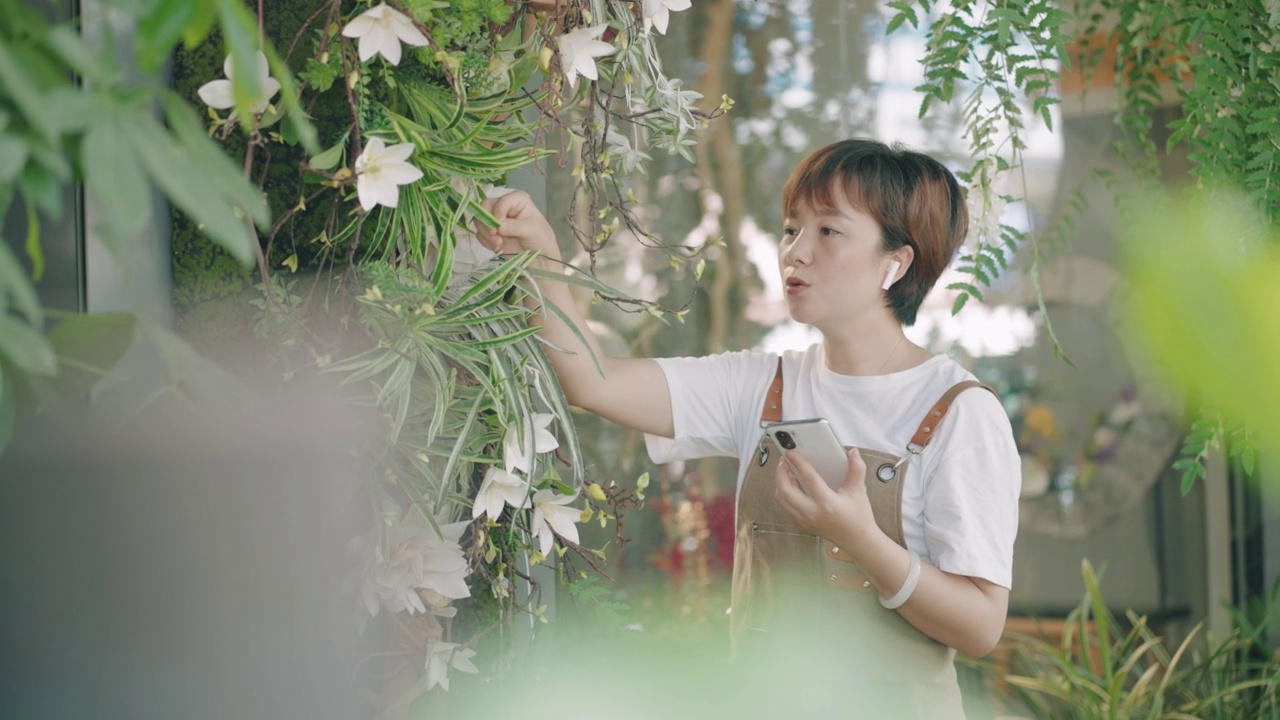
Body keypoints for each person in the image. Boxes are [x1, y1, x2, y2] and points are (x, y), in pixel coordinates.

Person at [475, 138, 1020, 718]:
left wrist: (859, 537)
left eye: (828, 231)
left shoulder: (958, 411)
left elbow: (981, 626)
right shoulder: (762, 387)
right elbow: (594, 381)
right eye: (791, 229)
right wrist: (539, 253)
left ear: (897, 262)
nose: (795, 252)